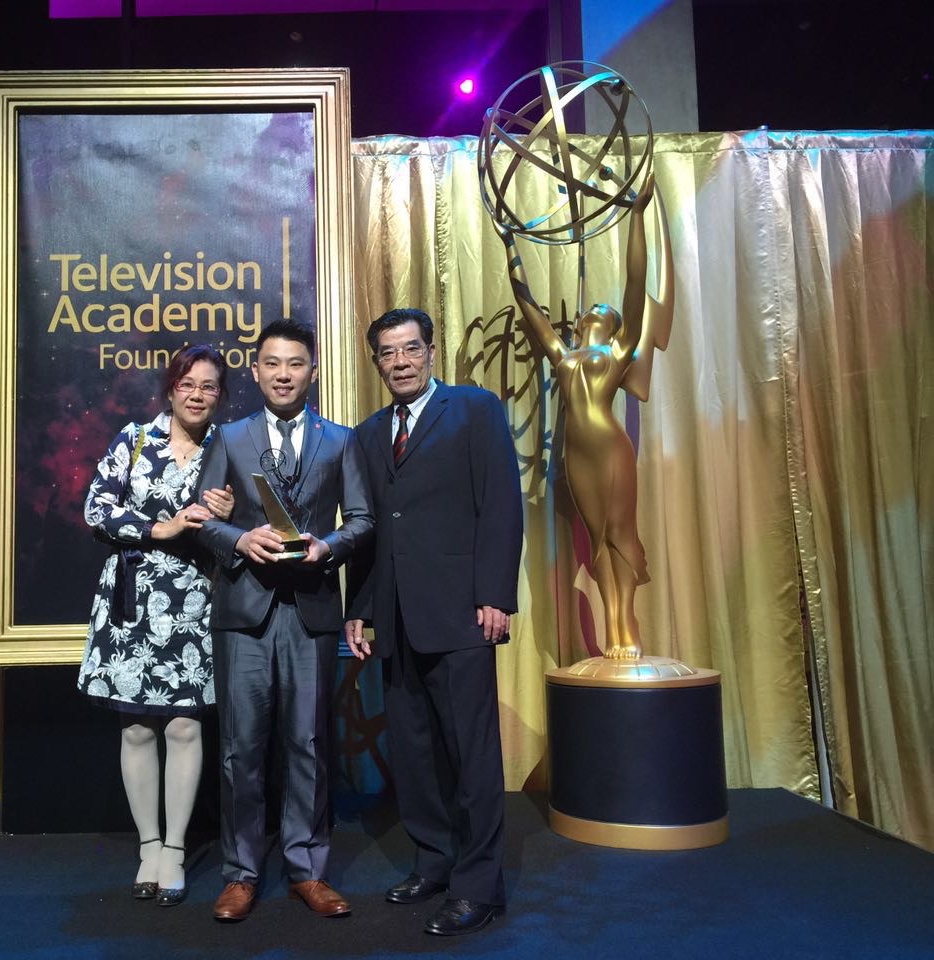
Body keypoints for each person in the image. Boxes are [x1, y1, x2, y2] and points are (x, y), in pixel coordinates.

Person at [345, 307, 523, 937]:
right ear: (377, 362)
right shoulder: (368, 434)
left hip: (462, 613)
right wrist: (360, 609)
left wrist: (496, 596)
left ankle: (480, 886)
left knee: (471, 755)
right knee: (415, 756)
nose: (400, 361)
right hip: (394, 618)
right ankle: (434, 862)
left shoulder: (474, 410)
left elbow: (500, 505)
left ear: (431, 350)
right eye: (388, 353)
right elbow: (369, 533)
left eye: (410, 348)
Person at [194, 318, 374, 923]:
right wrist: (239, 539)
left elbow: (363, 520)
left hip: (312, 612)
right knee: (241, 750)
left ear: (313, 370)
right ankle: (242, 873)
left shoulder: (341, 440)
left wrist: (330, 547)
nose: (283, 374)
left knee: (310, 744)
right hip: (244, 613)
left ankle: (307, 868)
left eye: (295, 364)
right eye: (272, 363)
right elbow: (204, 520)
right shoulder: (231, 436)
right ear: (256, 370)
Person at [78, 343, 236, 907]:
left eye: (209, 386)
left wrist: (226, 511)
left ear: (220, 394)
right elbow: (96, 509)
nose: (197, 394)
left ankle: (174, 847)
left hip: (197, 598)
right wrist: (158, 529)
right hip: (132, 602)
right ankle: (148, 844)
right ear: (171, 389)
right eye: (188, 384)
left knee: (185, 728)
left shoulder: (228, 446)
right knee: (138, 728)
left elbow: (252, 520)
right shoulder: (134, 439)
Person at [504, 174, 668, 659]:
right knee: (595, 542)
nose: (588, 313)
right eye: (585, 314)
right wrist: (510, 242)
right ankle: (610, 625)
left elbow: (636, 285)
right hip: (575, 454)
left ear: (613, 323)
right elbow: (527, 305)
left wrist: (635, 217)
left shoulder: (618, 351)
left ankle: (627, 625)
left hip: (610, 448)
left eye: (600, 310)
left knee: (620, 535)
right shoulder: (562, 355)